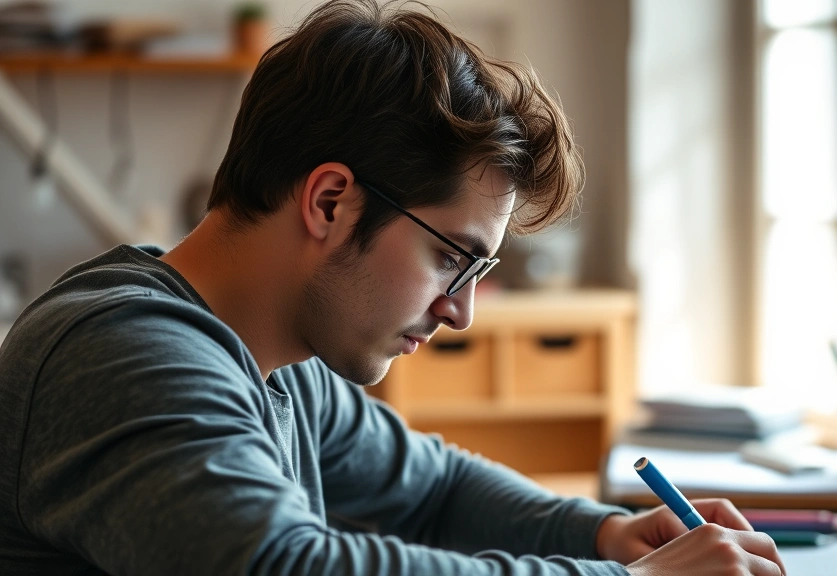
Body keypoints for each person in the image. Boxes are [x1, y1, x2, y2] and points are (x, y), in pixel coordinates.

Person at [0, 1, 785, 574]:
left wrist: (604, 534)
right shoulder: (123, 354)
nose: (461, 311)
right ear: (331, 202)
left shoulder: (281, 360)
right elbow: (288, 568)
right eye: (452, 258)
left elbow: (432, 489)